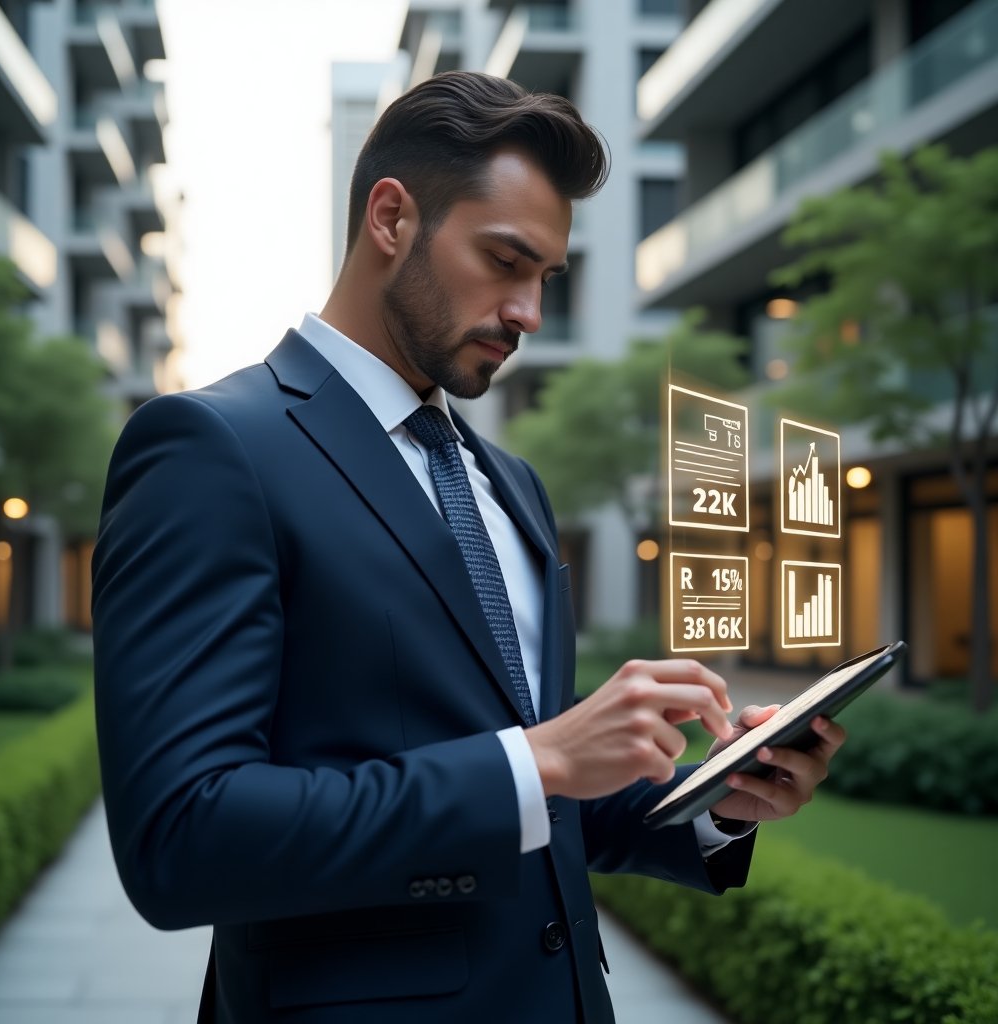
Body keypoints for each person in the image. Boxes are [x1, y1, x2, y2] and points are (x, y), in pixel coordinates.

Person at [92, 70, 846, 1024]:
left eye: (545, 279)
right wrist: (534, 761)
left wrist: (716, 801)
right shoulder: (211, 449)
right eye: (504, 261)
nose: (529, 312)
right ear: (392, 218)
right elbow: (183, 838)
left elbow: (544, 788)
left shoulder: (510, 484)